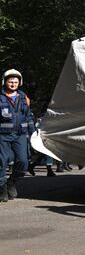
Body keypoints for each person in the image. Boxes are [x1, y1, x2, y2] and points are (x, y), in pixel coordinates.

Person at [0, 69, 36, 202]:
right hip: (2, 136)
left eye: (15, 82)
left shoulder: (24, 98)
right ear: (5, 82)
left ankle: (11, 182)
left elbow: (29, 117)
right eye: (10, 81)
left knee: (23, 162)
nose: (13, 84)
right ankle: (2, 188)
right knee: (1, 162)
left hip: (20, 135)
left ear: (19, 83)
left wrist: (33, 133)